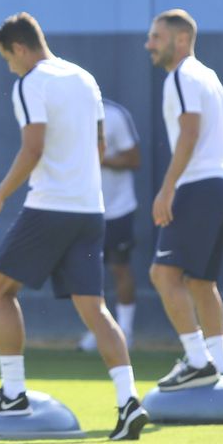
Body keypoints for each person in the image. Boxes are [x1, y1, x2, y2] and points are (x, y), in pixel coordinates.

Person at [0, 12, 148, 441]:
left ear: (19, 48)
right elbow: (100, 144)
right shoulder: (85, 78)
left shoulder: (31, 82)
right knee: (95, 308)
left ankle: (13, 392)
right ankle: (129, 403)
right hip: (92, 211)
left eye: (8, 59)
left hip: (50, 206)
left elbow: (32, 147)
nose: (10, 68)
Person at [144, 9, 223, 391]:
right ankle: (221, 364)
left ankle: (198, 361)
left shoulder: (182, 75)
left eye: (156, 37)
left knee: (162, 274)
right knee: (202, 281)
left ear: (180, 40)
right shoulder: (209, 76)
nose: (148, 44)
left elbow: (189, 132)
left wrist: (168, 188)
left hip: (199, 184)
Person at [77, 97, 141, 352]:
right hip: (83, 208)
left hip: (118, 208)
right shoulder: (65, 116)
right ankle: (99, 330)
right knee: (89, 274)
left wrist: (97, 157)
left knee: (120, 268)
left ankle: (125, 331)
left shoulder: (114, 115)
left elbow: (133, 159)